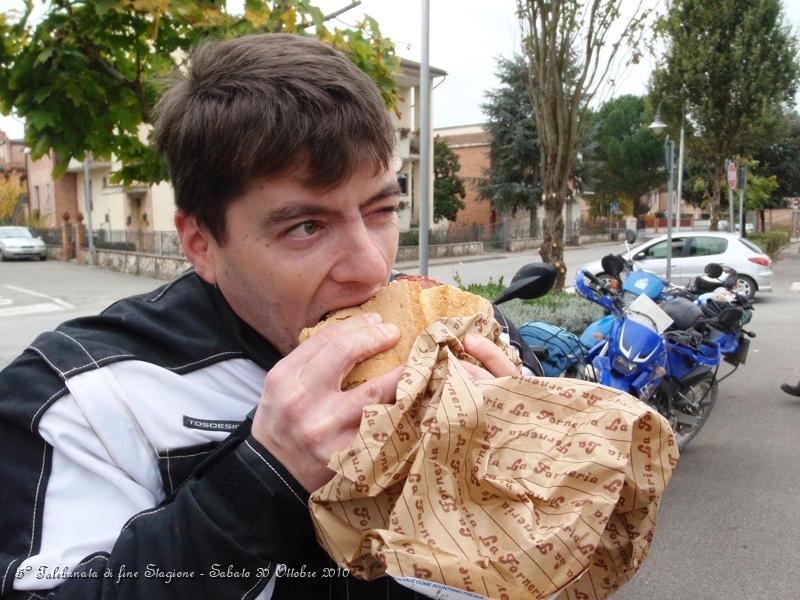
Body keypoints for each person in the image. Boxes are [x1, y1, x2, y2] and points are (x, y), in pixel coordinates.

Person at [0, 34, 531, 599]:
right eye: (306, 226)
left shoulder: (448, 335)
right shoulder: (79, 398)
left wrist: (513, 448)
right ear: (201, 243)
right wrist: (261, 478)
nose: (372, 269)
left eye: (382, 210)